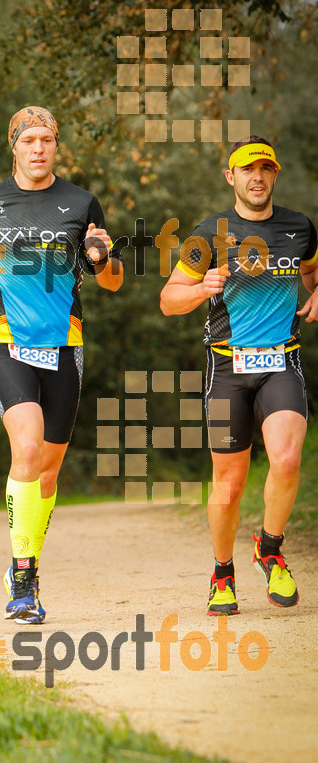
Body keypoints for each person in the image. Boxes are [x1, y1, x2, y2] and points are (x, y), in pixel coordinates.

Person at [0, 106, 123, 623]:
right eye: (29, 140)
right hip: (6, 340)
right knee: (26, 446)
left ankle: (25, 562)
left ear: (56, 147)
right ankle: (24, 584)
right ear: (14, 146)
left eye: (47, 139)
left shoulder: (81, 203)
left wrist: (100, 259)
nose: (38, 148)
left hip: (65, 346)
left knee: (47, 471)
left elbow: (113, 280)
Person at [160, 135, 318, 615]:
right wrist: (200, 286)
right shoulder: (206, 236)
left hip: (281, 359)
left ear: (274, 175)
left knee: (287, 458)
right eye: (248, 170)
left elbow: (312, 271)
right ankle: (222, 574)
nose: (257, 177)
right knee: (228, 482)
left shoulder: (299, 228)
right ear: (231, 177)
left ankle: (270, 550)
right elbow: (168, 301)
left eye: (266, 169)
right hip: (227, 364)